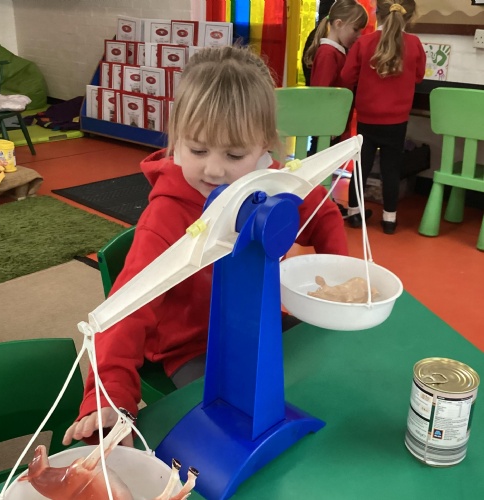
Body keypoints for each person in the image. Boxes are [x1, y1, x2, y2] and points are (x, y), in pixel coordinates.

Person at [63, 45, 349, 447]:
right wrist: (108, 395)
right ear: (177, 138)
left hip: (263, 325)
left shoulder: (271, 182)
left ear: (264, 147)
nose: (214, 170)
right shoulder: (166, 218)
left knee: (334, 377)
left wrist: (340, 281)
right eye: (197, 150)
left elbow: (322, 213)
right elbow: (127, 309)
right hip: (195, 349)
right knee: (235, 430)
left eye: (235, 154)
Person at [340, 0, 426, 234]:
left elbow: (347, 77)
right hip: (396, 121)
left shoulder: (364, 42)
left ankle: (355, 213)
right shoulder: (415, 44)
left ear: (376, 13)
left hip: (367, 118)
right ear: (409, 17)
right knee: (391, 169)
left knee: (361, 167)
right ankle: (389, 219)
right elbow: (418, 76)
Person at [303, 0, 368, 156]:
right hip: (326, 128)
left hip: (332, 126)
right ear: (339, 24)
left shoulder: (336, 52)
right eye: (355, 29)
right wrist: (328, 124)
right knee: (319, 163)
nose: (358, 36)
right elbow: (321, 94)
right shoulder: (328, 53)